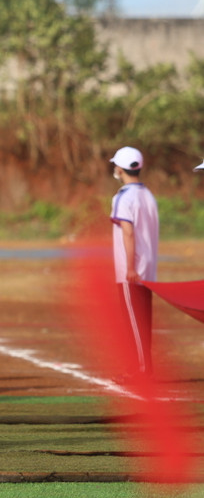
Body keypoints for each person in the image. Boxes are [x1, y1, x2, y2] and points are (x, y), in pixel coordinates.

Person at [110, 146, 159, 378]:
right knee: (143, 320)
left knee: (133, 321)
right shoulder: (148, 195)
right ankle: (141, 366)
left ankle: (140, 370)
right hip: (148, 268)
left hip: (131, 269)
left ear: (120, 169)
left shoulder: (123, 197)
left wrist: (129, 267)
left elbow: (128, 232)